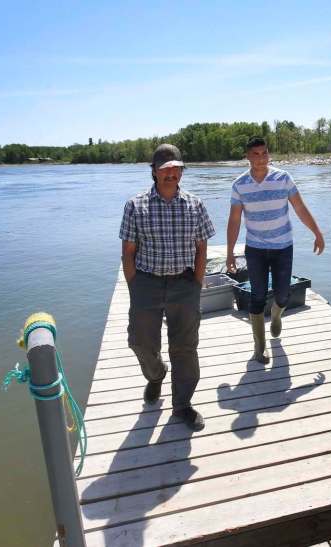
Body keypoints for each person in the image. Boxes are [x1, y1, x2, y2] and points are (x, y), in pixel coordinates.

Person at [120, 143, 215, 431]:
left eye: (176, 169)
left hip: (184, 283)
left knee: (185, 347)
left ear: (181, 171)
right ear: (154, 172)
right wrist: (135, 286)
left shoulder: (195, 204)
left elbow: (202, 247)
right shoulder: (135, 205)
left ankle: (183, 405)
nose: (171, 174)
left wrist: (197, 284)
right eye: (165, 170)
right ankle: (156, 375)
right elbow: (128, 251)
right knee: (139, 341)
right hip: (146, 283)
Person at [225, 136, 325, 363]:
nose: (261, 158)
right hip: (256, 250)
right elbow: (234, 220)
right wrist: (230, 252)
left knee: (283, 294)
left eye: (264, 153)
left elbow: (299, 207)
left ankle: (277, 315)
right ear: (247, 156)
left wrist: (317, 233)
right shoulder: (239, 184)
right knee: (257, 295)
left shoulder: (283, 178)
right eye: (255, 154)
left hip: (283, 247)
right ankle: (259, 347)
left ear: (268, 154)